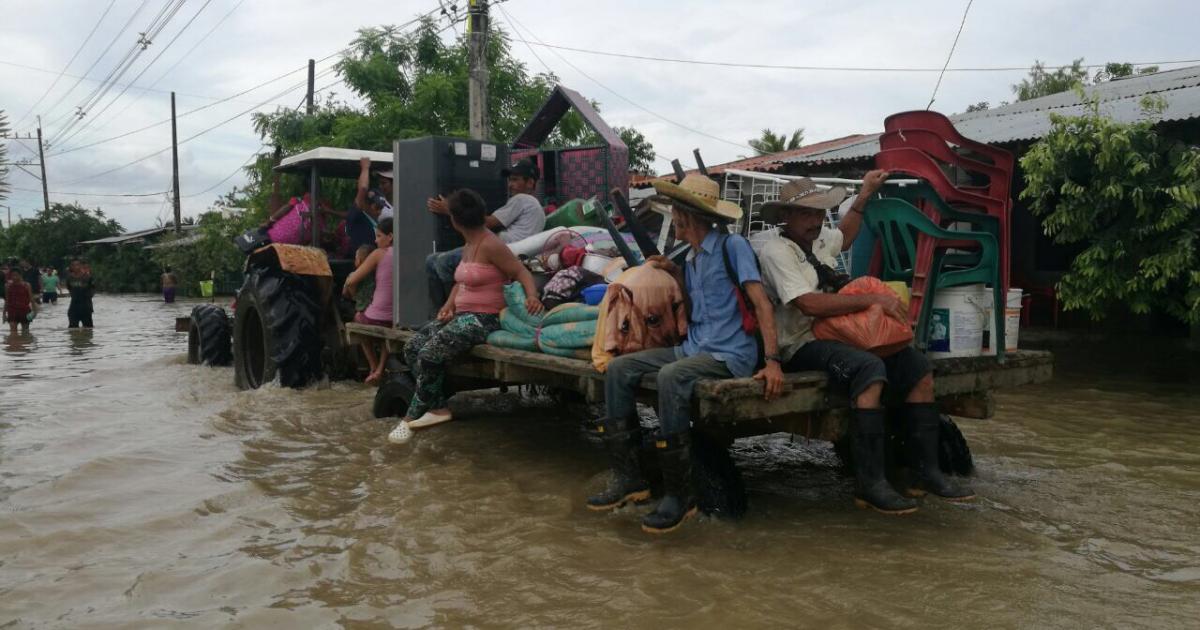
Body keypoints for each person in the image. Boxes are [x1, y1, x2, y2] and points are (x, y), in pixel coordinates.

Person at [756, 173, 974, 515]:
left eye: (818, 213)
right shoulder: (776, 251)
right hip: (800, 345)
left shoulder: (820, 238)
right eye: (806, 214)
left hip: (842, 334)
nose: (815, 220)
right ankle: (870, 484)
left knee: (917, 367)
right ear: (786, 216)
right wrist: (872, 300)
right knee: (870, 369)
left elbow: (845, 234)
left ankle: (925, 472)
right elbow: (807, 304)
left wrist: (866, 193)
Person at [586, 174, 784, 535]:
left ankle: (681, 496)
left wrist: (772, 362)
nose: (672, 220)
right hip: (694, 348)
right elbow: (694, 312)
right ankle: (631, 479)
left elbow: (761, 304)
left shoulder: (732, 246)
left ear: (686, 216)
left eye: (675, 213)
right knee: (618, 369)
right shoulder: (691, 260)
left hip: (730, 355)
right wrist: (676, 273)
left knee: (670, 376)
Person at [388, 188, 545, 445]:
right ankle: (438, 407)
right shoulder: (469, 245)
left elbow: (521, 272)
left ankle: (410, 416)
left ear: (454, 220)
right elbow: (460, 283)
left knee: (429, 354)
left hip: (485, 318)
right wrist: (449, 305)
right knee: (412, 347)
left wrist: (532, 297)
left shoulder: (492, 244)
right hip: (461, 315)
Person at [424, 158, 545, 312]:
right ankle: (442, 312)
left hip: (501, 251)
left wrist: (451, 209)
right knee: (432, 260)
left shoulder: (522, 199)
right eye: (509, 180)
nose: (510, 185)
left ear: (530, 183)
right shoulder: (537, 206)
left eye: (515, 180)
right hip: (510, 251)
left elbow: (485, 222)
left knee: (442, 262)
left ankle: (450, 311)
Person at [343, 224, 394, 385]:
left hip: (375, 317)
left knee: (358, 317)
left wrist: (350, 289)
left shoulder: (379, 253)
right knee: (391, 330)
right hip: (398, 317)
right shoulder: (406, 253)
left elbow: (352, 280)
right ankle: (380, 369)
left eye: (379, 236)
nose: (375, 240)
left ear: (390, 236)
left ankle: (373, 367)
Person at [66, 259, 96, 328]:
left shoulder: (88, 277)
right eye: (73, 265)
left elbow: (93, 288)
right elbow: (69, 287)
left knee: (88, 329)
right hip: (74, 306)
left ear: (81, 266)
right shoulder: (69, 278)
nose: (76, 267)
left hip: (86, 306)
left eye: (77, 265)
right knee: (72, 329)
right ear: (71, 267)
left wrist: (90, 296)